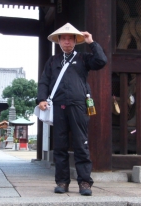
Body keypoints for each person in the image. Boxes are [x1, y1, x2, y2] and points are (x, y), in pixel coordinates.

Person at [37, 23, 107, 196]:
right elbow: (44, 81)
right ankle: (62, 181)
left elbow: (101, 61)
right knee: (60, 145)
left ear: (75, 41)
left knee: (81, 144)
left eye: (70, 39)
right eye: (64, 39)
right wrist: (42, 99)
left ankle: (85, 183)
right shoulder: (53, 61)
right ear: (59, 41)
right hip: (58, 106)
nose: (67, 42)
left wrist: (92, 42)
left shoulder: (83, 58)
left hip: (78, 106)